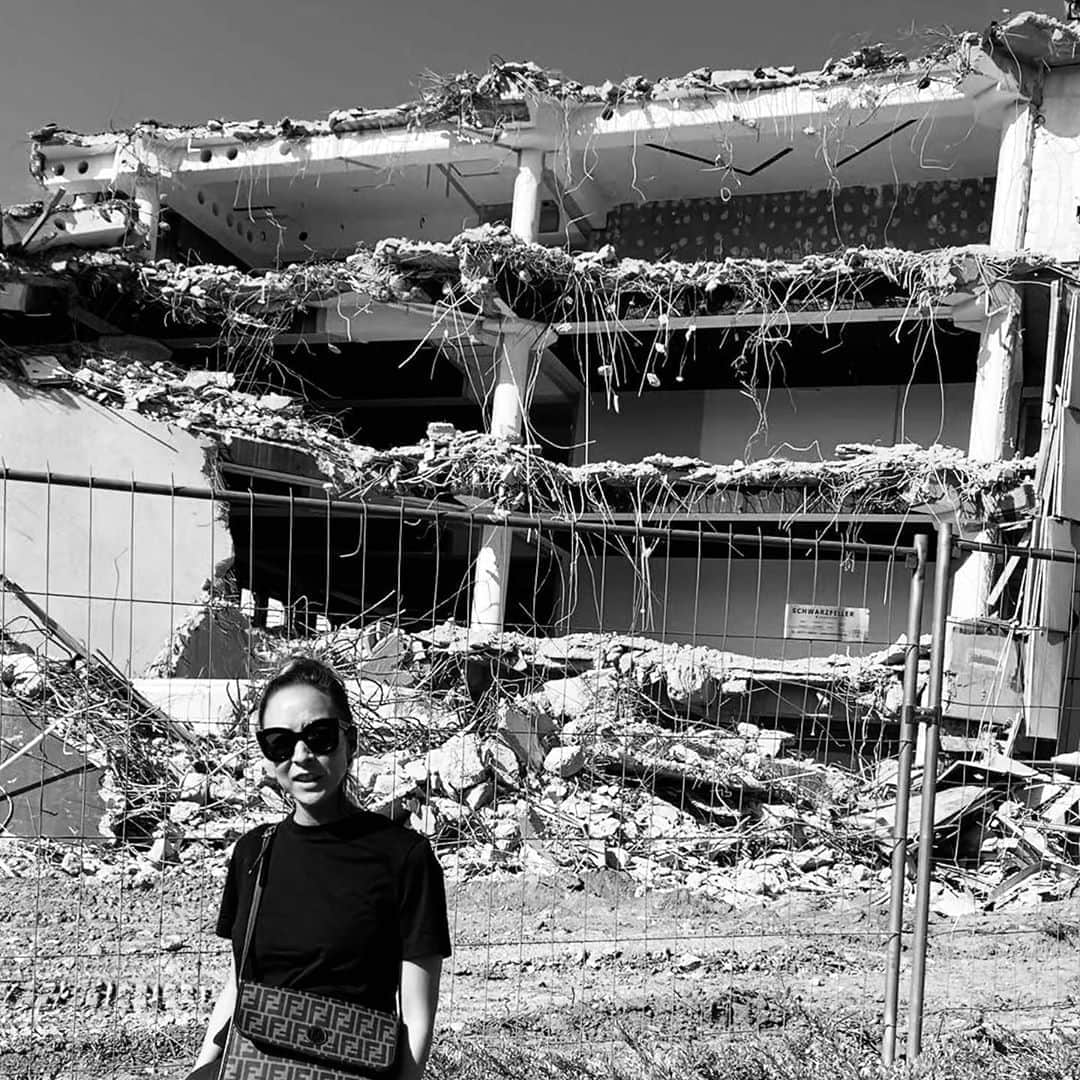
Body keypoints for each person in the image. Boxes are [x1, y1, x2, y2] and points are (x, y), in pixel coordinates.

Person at [186, 656, 451, 1080]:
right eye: (279, 742)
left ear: (352, 740)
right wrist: (204, 1066)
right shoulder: (253, 852)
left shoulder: (404, 858)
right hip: (253, 1065)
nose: (302, 756)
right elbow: (240, 984)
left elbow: (417, 1016)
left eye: (321, 736)